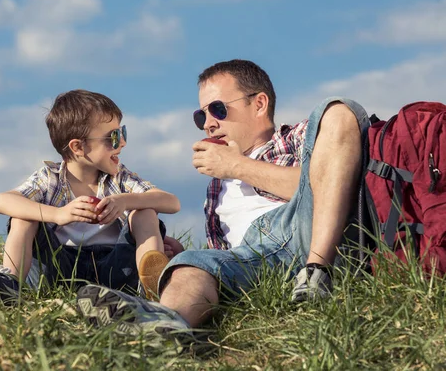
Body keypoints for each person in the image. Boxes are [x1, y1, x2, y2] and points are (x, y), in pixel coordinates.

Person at [75, 59, 369, 344]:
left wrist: (237, 166)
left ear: (259, 104)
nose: (209, 125)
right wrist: (189, 256)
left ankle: (317, 274)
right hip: (254, 258)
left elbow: (325, 184)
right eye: (201, 116)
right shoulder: (217, 186)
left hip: (308, 229)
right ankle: (163, 324)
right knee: (189, 265)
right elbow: (227, 255)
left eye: (218, 109)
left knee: (339, 109)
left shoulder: (296, 139)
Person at [0, 89, 182, 313]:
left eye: (122, 132)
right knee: (23, 216)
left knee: (144, 211)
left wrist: (126, 201)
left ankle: (153, 285)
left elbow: (171, 202)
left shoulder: (119, 179)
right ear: (77, 147)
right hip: (60, 269)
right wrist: (57, 214)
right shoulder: (50, 179)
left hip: (115, 268)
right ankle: (8, 286)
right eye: (113, 136)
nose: (123, 143)